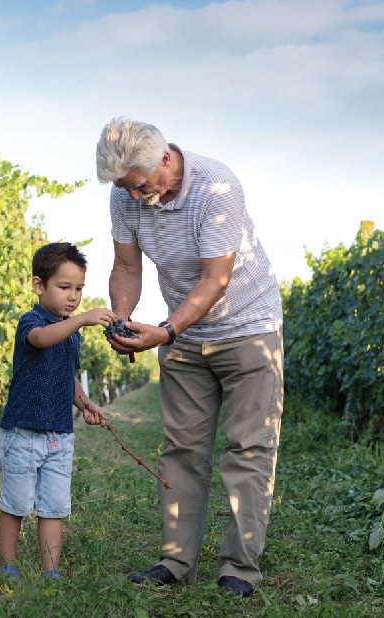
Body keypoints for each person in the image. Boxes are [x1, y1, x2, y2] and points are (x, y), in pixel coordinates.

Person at [95, 118, 284, 598]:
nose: (133, 198)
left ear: (164, 160)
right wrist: (121, 318)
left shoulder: (217, 186)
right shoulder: (125, 195)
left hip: (248, 329)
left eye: (138, 186)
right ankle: (175, 562)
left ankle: (239, 569)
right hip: (182, 332)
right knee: (182, 449)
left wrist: (163, 331)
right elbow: (125, 264)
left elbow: (214, 279)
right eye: (124, 189)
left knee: (248, 448)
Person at [0, 242, 114, 580]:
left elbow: (67, 376)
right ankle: (7, 565)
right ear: (38, 285)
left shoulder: (71, 331)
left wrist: (85, 403)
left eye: (79, 289)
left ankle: (51, 571)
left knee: (54, 506)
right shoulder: (32, 321)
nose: (73, 296)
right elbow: (42, 340)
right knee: (15, 503)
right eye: (64, 287)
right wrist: (81, 319)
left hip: (60, 433)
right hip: (23, 429)